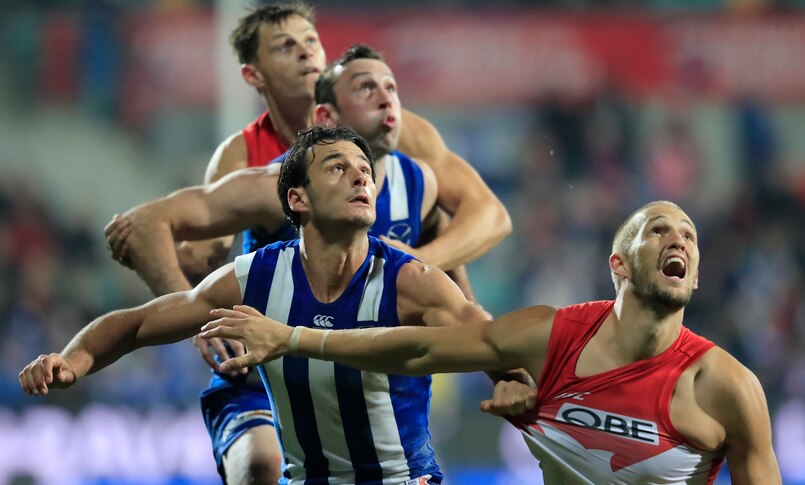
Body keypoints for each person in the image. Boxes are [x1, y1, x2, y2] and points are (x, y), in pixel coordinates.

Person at [105, 4, 511, 482]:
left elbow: (489, 217)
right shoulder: (250, 162)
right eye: (285, 46)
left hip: (366, 360)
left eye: (311, 41)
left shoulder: (398, 134)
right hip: (272, 359)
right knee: (260, 465)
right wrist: (202, 321)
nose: (306, 54)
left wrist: (408, 269)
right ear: (253, 74)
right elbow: (184, 246)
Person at [20, 126, 529, 485]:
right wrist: (73, 361)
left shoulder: (410, 281)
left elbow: (483, 336)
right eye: (337, 168)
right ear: (298, 200)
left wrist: (512, 381)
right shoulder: (257, 277)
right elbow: (139, 325)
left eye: (364, 171)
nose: (360, 179)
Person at [202, 200, 783, 484]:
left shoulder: (727, 388)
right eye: (656, 229)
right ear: (620, 264)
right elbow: (423, 348)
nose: (675, 238)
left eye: (688, 235)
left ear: (697, 273)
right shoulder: (549, 338)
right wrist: (295, 338)